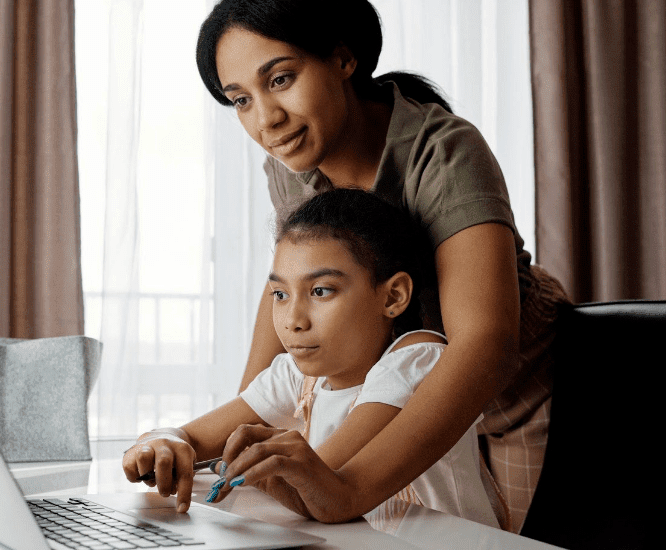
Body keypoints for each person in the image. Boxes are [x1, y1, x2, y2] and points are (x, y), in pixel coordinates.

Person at [188, 0, 569, 533]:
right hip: (393, 390)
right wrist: (237, 440)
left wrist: (350, 488)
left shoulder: (444, 151)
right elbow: (290, 283)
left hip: (512, 393)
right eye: (241, 101)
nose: (266, 119)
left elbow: (485, 343)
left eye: (281, 79)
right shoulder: (289, 162)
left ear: (344, 59)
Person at [123, 189, 499, 527]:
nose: (293, 321)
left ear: (393, 296)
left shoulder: (418, 361)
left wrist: (235, 463)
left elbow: (321, 485)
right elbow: (191, 435)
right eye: (280, 295)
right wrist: (161, 443)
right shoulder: (298, 377)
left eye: (320, 291)